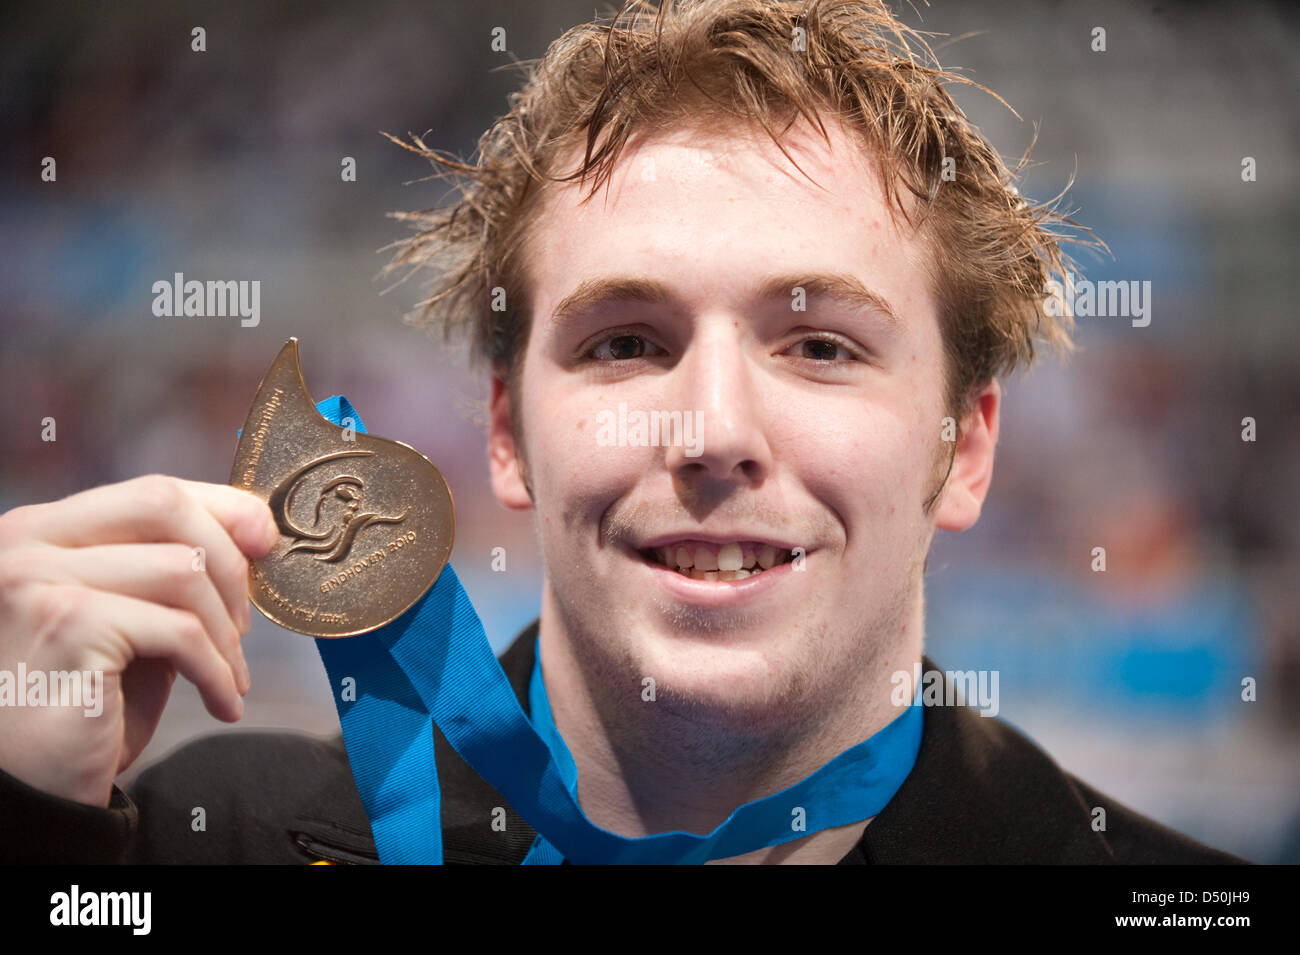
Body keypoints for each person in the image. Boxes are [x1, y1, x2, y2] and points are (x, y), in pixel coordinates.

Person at [0, 0, 1246, 864]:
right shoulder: (185, 848)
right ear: (505, 433)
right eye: (627, 342)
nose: (711, 431)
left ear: (962, 449)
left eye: (819, 346)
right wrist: (29, 823)